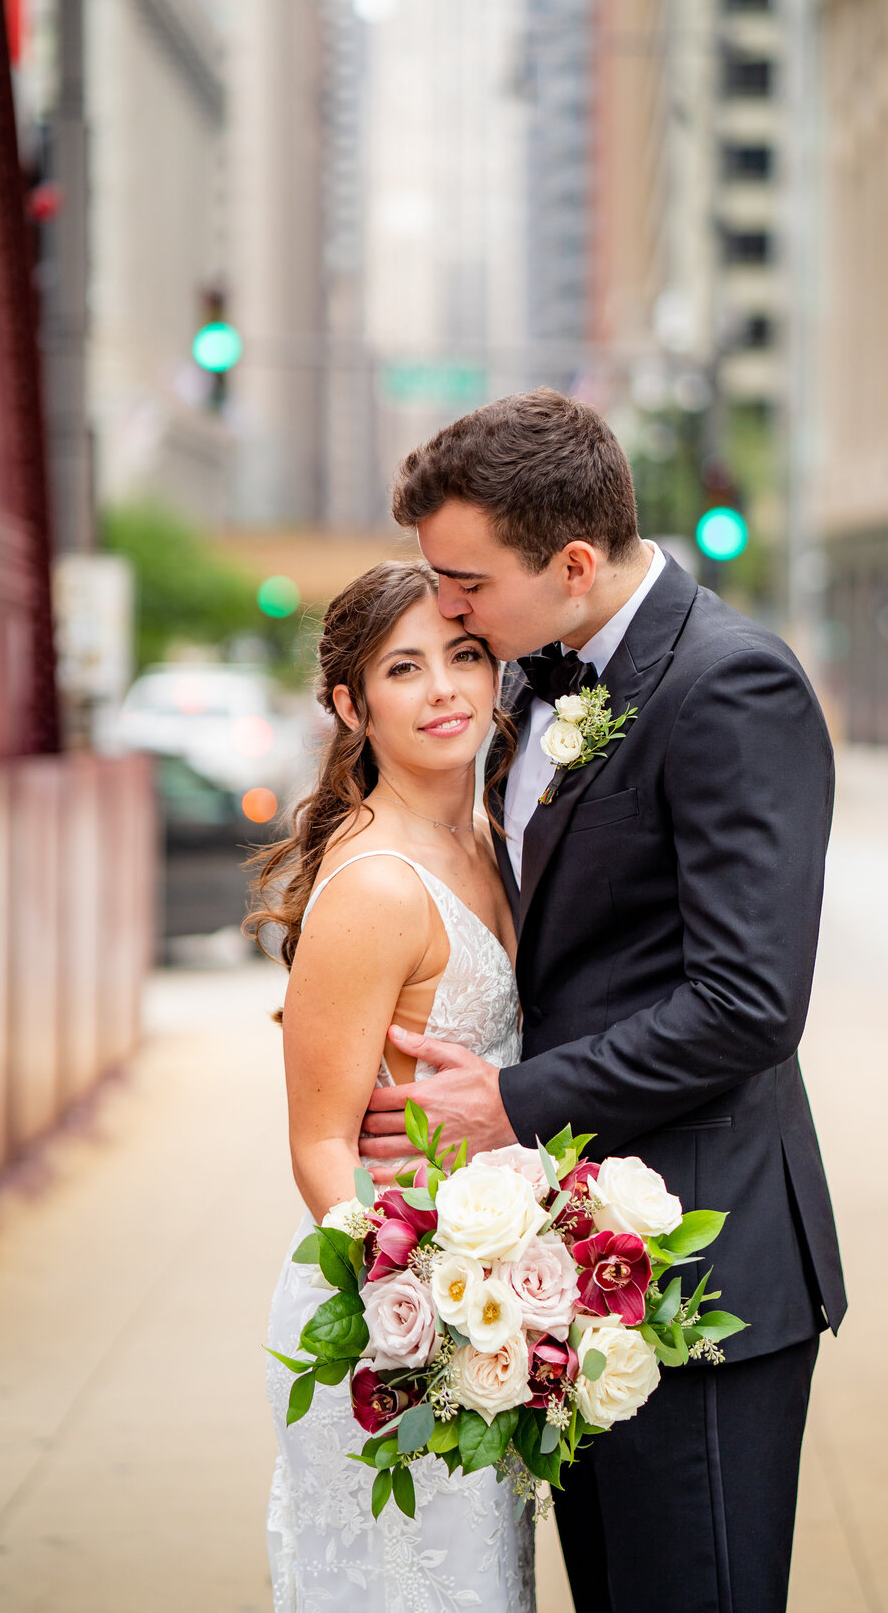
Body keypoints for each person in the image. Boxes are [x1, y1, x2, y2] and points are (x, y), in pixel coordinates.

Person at [359, 387, 847, 1613]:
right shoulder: (530, 681)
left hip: (704, 1269)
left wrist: (511, 1102)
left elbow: (747, 1001)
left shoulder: (734, 687)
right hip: (562, 1275)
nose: (449, 606)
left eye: (466, 582)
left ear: (573, 564)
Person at [250, 560, 536, 1613]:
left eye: (464, 656)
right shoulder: (377, 883)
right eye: (404, 669)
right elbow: (320, 1142)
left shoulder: (487, 837)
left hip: (488, 1301)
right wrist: (411, 1305)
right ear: (349, 706)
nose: (446, 689)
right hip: (398, 1324)